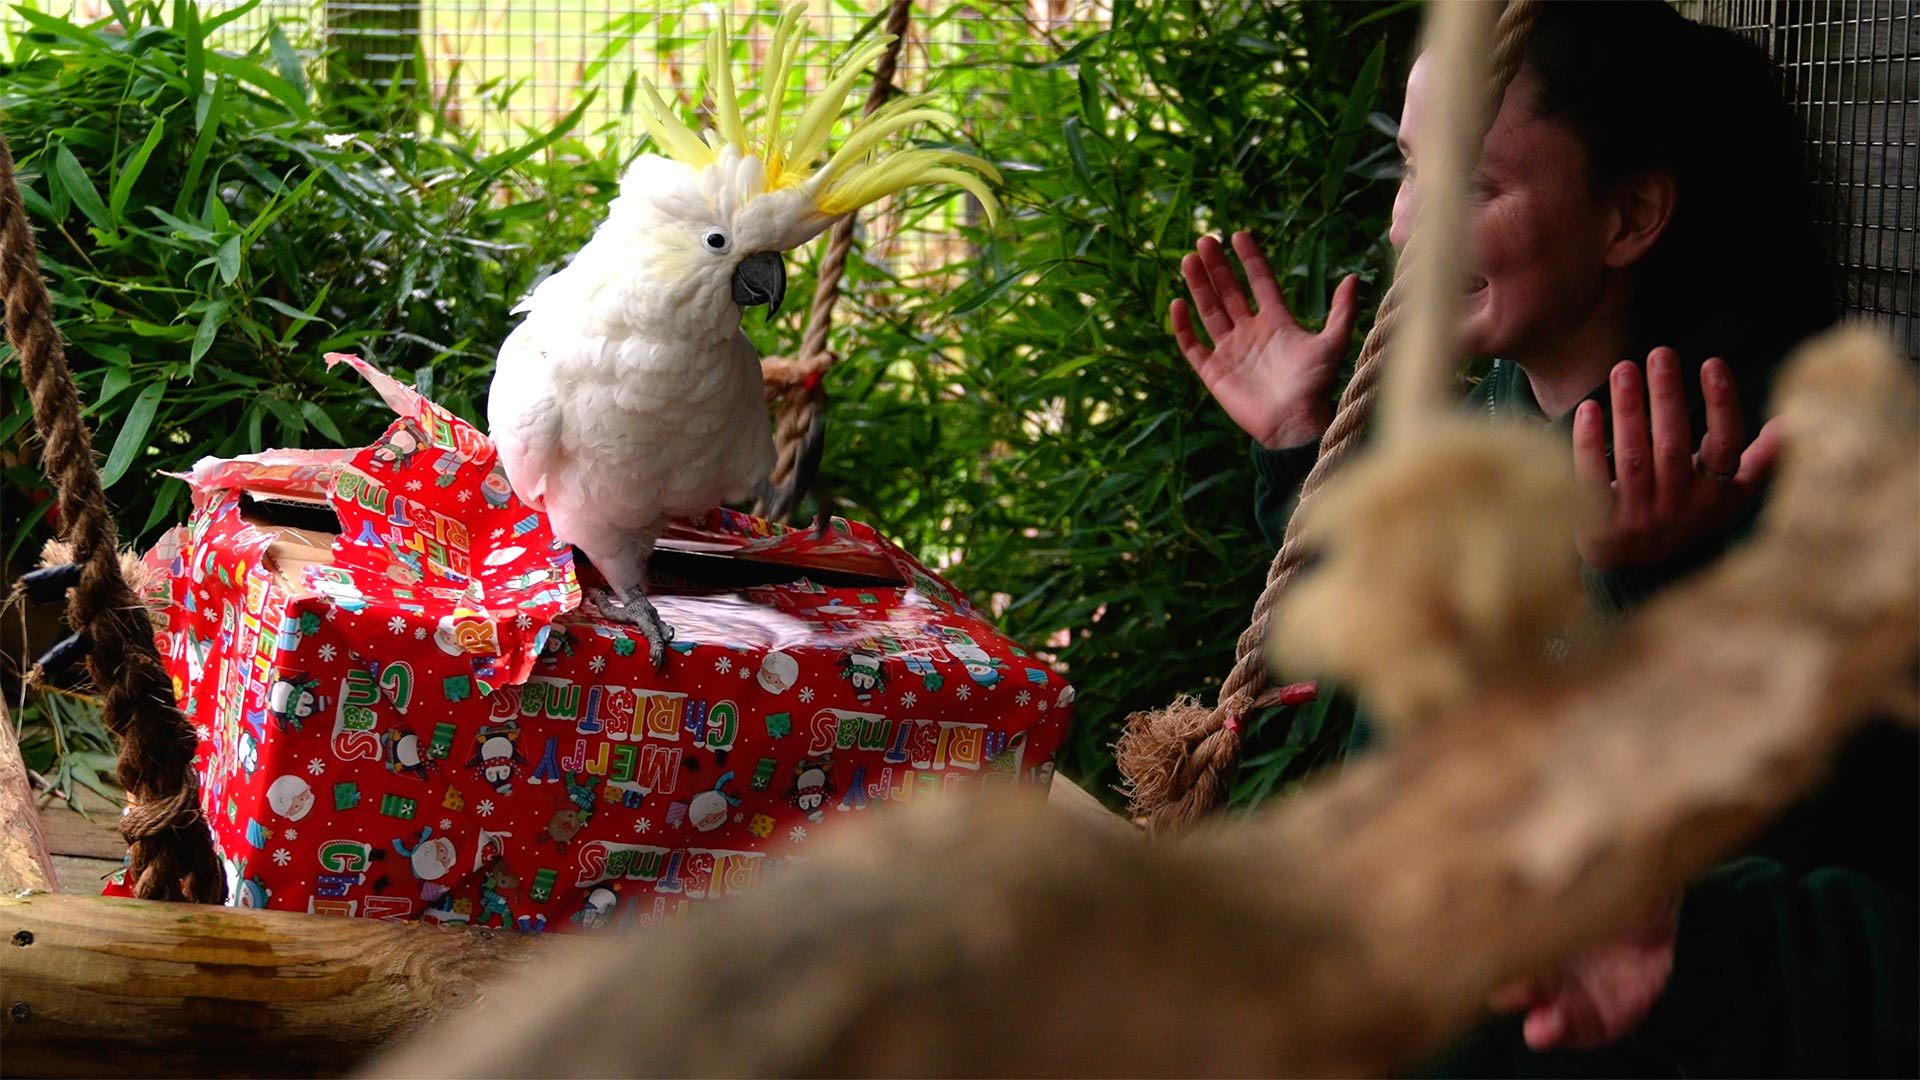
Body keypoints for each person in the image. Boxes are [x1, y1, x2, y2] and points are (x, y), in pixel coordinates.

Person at [1170, 3, 1916, 1076]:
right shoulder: (1490, 422)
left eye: (1471, 186)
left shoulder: (1759, 465)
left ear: (1630, 218)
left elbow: (1780, 873)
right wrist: (1300, 448)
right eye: (1409, 168)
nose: (1404, 227)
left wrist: (1660, 579)